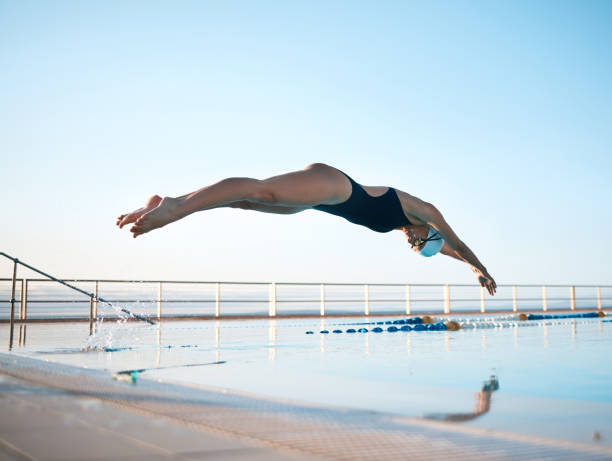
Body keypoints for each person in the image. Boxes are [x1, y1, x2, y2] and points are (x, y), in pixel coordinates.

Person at [117, 163, 496, 295]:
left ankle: (165, 201)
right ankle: (176, 209)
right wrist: (481, 266)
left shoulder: (404, 226)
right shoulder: (422, 210)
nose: (414, 247)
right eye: (421, 245)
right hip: (335, 186)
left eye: (418, 251)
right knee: (259, 190)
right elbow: (455, 242)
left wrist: (467, 268)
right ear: (426, 231)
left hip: (318, 203)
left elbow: (445, 249)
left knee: (245, 201)